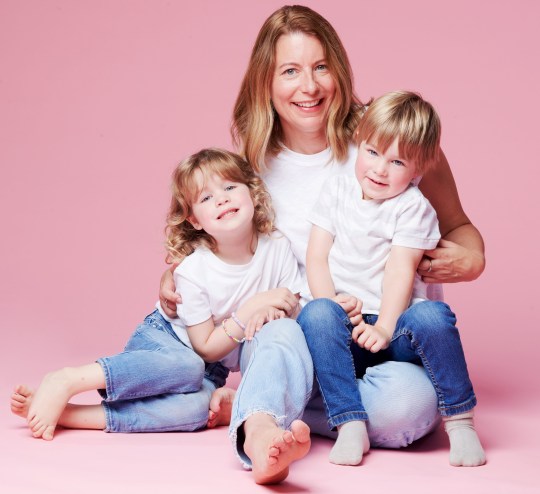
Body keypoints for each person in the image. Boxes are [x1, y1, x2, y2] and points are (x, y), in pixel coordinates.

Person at [159, 5, 486, 485]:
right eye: (289, 71)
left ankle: (267, 399)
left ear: (340, 69)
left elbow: (461, 228)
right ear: (265, 84)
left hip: (388, 337)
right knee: (284, 334)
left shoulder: (390, 138)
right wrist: (177, 273)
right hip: (309, 335)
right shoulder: (252, 166)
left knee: (409, 408)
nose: (308, 87)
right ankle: (263, 427)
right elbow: (220, 241)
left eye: (320, 67)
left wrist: (472, 258)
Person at [10, 148, 302, 441]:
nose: (222, 198)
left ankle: (71, 415)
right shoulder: (194, 271)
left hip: (211, 369)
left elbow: (291, 306)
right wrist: (253, 308)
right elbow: (205, 347)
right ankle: (68, 379)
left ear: (252, 192)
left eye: (229, 187)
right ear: (194, 220)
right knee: (188, 366)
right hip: (166, 341)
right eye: (206, 198)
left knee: (200, 410)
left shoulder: (277, 246)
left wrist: (275, 310)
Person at [303, 90, 485, 467]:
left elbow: (399, 270)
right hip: (348, 323)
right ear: (359, 144)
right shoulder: (337, 190)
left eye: (396, 161)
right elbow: (317, 257)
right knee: (316, 314)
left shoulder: (414, 207)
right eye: (371, 153)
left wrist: (385, 327)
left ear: (418, 169)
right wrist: (333, 304)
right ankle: (349, 422)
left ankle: (460, 421)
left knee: (433, 317)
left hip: (394, 325)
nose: (379, 170)